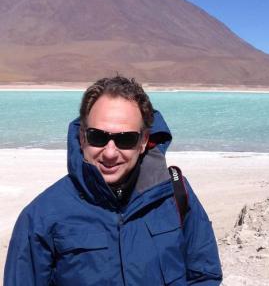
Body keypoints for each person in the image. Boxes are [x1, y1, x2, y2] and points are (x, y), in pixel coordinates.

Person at [4, 76, 222, 285]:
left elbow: (204, 275)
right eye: (98, 137)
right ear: (82, 137)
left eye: (125, 139)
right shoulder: (41, 216)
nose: (110, 153)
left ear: (144, 141)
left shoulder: (175, 195)